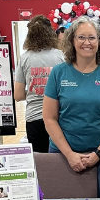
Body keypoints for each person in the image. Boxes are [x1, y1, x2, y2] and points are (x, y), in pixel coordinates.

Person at [43, 15, 100, 198]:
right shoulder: (59, 73)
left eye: (92, 37)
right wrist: (70, 155)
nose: (86, 42)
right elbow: (50, 119)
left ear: (99, 41)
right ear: (72, 40)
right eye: (81, 37)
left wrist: (98, 154)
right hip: (63, 154)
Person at [14, 15, 64, 153]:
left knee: (40, 163)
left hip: (34, 117)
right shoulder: (60, 56)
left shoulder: (25, 58)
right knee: (61, 162)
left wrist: (34, 91)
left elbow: (18, 95)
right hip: (58, 117)